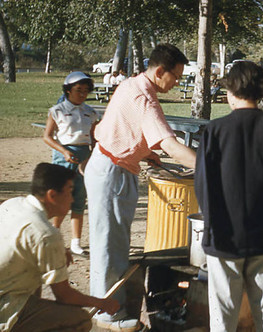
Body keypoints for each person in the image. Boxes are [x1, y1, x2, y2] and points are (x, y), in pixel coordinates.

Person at [84, 43, 196, 331]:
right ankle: (108, 316)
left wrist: (145, 151)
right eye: (176, 77)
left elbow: (118, 127)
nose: (177, 83)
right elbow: (171, 145)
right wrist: (210, 168)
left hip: (112, 166)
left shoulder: (131, 84)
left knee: (113, 244)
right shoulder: (144, 97)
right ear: (160, 71)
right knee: (109, 246)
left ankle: (111, 307)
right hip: (113, 171)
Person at [194, 60, 263, 332]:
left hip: (223, 235)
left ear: (230, 93)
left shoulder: (214, 131)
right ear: (261, 92)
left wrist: (210, 226)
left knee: (223, 315)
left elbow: (203, 185)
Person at [0, 163, 120, 332]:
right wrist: (101, 303)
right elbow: (65, 296)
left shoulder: (14, 204)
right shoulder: (46, 235)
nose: (72, 199)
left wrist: (60, 251)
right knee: (79, 319)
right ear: (52, 195)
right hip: (4, 307)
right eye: (69, 191)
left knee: (34, 272)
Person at [43, 71, 98, 257]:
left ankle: (76, 242)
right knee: (60, 198)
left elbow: (93, 138)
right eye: (78, 90)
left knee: (79, 199)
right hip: (63, 156)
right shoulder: (56, 111)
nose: (82, 94)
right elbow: (47, 137)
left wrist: (91, 156)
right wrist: (64, 152)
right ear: (68, 90)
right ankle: (54, 236)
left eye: (85, 91)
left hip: (84, 157)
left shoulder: (90, 112)